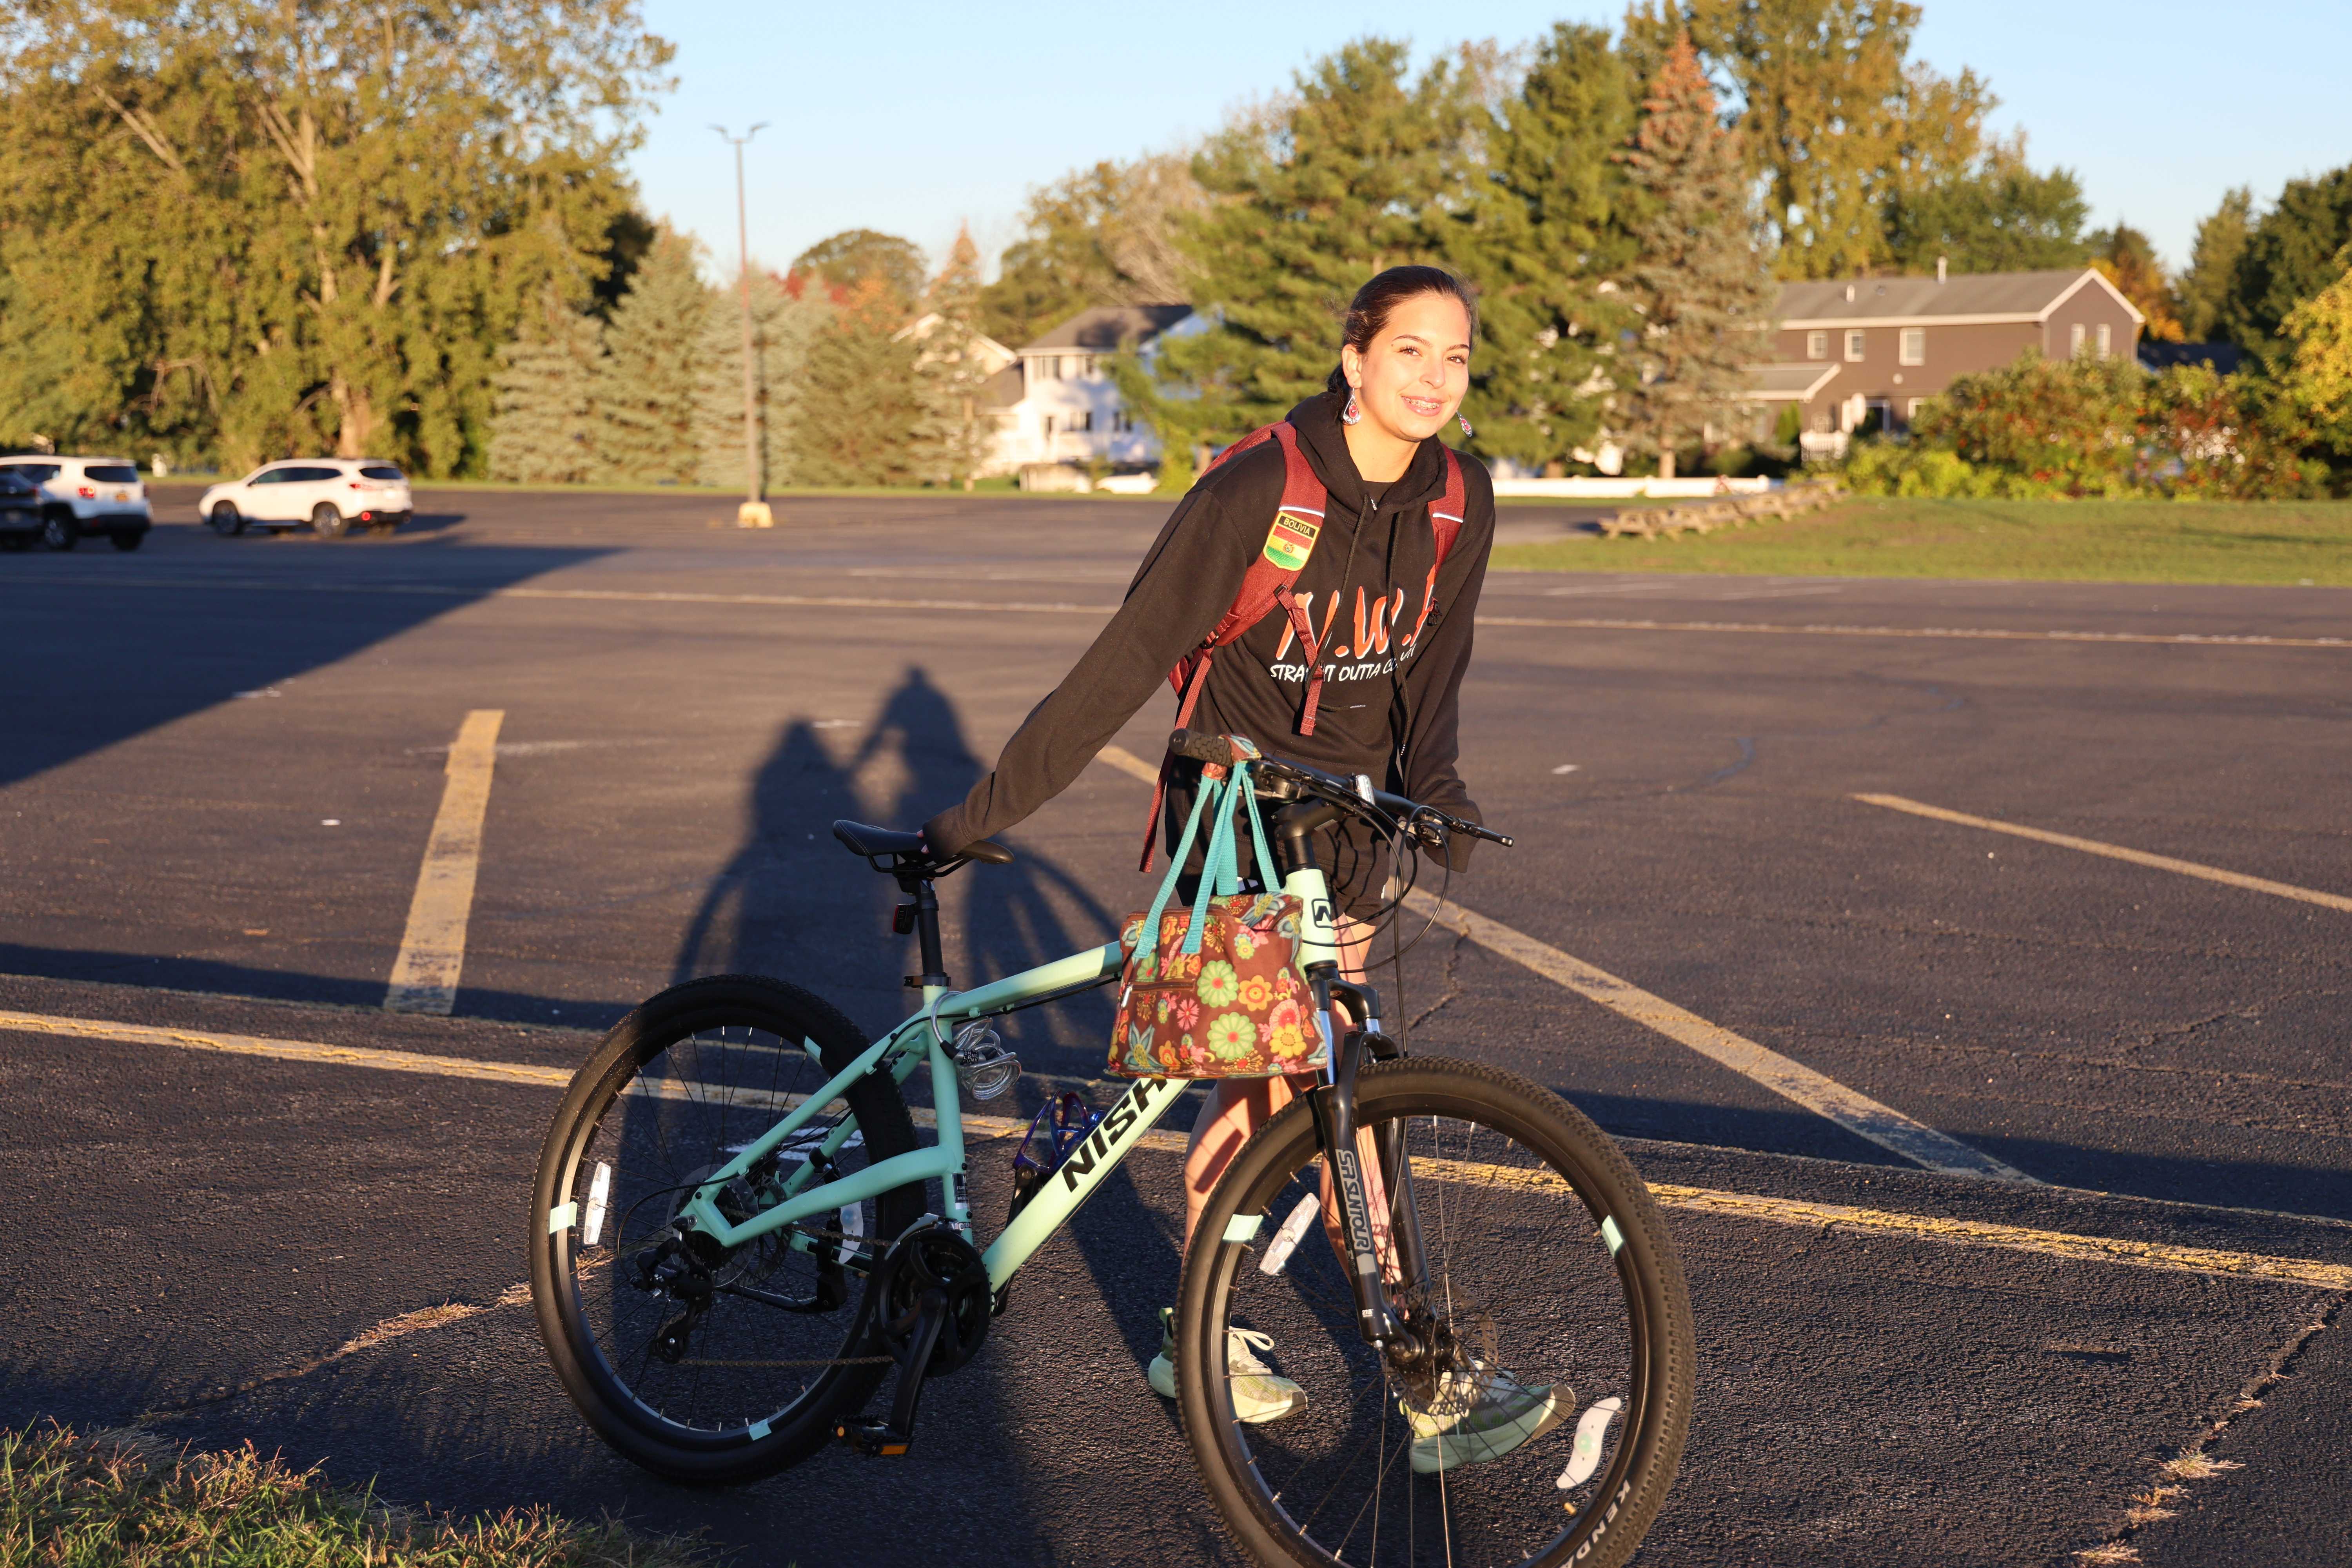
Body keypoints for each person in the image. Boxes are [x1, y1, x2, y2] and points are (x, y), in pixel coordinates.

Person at [923, 266, 1545, 1466]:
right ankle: (1428, 1377)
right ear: (1354, 357)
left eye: (1456, 358)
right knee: (1331, 1082)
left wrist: (1442, 791)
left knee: (1267, 1084)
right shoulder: (1264, 483)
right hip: (1239, 822)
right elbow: (1125, 659)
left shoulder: (1461, 500)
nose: (1433, 378)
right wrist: (981, 811)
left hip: (1347, 830)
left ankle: (1190, 1334)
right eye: (1409, 351)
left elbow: (1432, 671)